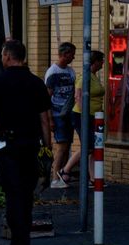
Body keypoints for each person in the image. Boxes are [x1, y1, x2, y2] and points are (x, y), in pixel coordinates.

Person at [0, 38, 52, 245]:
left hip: (8, 146)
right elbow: (45, 121)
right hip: (30, 145)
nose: (1, 58)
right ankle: (23, 244)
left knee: (12, 193)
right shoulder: (36, 83)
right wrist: (47, 149)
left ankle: (17, 243)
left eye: (2, 54)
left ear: (8, 56)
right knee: (26, 195)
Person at [44, 42, 78, 188]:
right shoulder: (53, 72)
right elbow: (47, 98)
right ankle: (55, 177)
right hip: (58, 114)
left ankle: (62, 175)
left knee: (66, 146)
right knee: (61, 146)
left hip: (68, 114)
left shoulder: (71, 72)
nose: (74, 57)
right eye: (72, 54)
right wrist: (50, 118)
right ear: (64, 54)